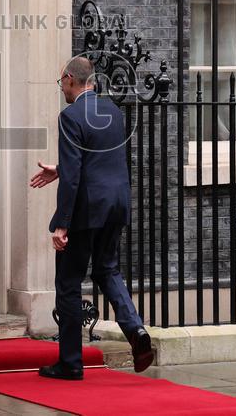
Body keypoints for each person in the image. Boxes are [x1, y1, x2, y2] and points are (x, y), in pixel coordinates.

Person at [30, 56, 153, 379]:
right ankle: (135, 330)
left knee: (68, 283)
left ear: (70, 79)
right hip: (117, 203)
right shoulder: (111, 111)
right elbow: (99, 158)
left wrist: (61, 224)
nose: (62, 90)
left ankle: (70, 363)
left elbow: (75, 179)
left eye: (62, 84)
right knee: (107, 269)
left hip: (87, 209)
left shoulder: (70, 116)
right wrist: (62, 168)